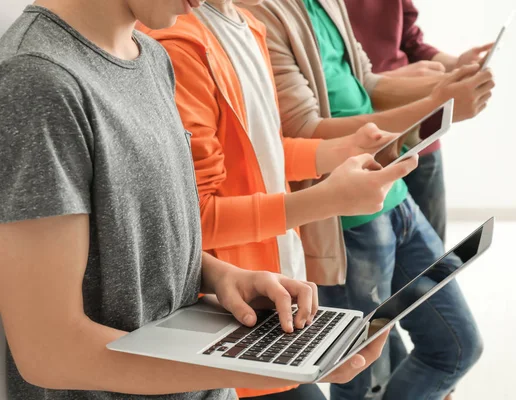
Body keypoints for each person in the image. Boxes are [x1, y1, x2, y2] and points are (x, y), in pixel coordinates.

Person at [0, 1, 395, 399]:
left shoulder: (150, 55)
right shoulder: (35, 81)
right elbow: (48, 352)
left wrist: (222, 276)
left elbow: (130, 233)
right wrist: (272, 364)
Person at [139, 0, 422, 398]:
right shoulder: (178, 44)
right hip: (230, 310)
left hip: (275, 290)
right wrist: (327, 200)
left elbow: (262, 150)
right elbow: (195, 218)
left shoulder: (249, 26)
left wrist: (339, 149)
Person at [244, 1, 494, 399]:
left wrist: (445, 90)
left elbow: (367, 82)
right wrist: (436, 105)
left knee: (457, 345)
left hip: (397, 198)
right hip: (350, 222)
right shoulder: (258, 13)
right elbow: (306, 131)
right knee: (360, 379)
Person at [344, 0, 494, 244]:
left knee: (432, 260)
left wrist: (456, 65)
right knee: (378, 266)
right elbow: (326, 77)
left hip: (420, 133)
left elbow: (410, 39)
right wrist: (409, 84)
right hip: (361, 138)